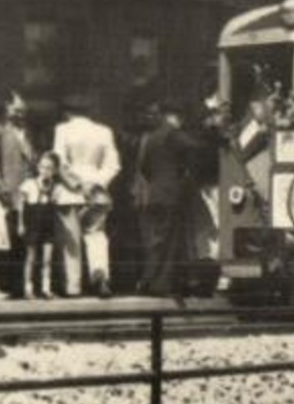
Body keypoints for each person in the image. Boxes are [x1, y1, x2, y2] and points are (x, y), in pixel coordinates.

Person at [53, 94, 122, 298]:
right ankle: (100, 276)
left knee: (71, 239)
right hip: (97, 191)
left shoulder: (63, 129)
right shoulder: (104, 131)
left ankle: (73, 286)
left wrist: (78, 184)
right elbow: (113, 165)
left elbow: (60, 161)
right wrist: (97, 183)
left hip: (70, 191)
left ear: (68, 112)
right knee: (97, 235)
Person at [136, 102, 201, 299]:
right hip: (172, 195)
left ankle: (148, 281)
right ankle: (161, 285)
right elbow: (195, 147)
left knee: (156, 240)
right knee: (170, 241)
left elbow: (145, 167)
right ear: (175, 116)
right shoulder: (172, 133)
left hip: (155, 193)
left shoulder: (152, 137)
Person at [0, 91, 36, 299]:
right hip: (7, 193)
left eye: (22, 109)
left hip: (26, 194)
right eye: (15, 109)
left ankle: (20, 285)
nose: (19, 113)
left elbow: (32, 161)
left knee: (22, 241)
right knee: (0, 240)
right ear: (6, 108)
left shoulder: (27, 132)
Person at [18, 152, 71, 299]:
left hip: (48, 225)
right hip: (33, 223)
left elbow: (58, 207)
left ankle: (46, 289)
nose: (45, 171)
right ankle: (28, 288)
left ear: (54, 170)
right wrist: (21, 224)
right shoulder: (29, 184)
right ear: (38, 168)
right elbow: (21, 206)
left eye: (49, 168)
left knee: (47, 258)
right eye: (43, 167)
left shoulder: (57, 187)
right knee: (31, 257)